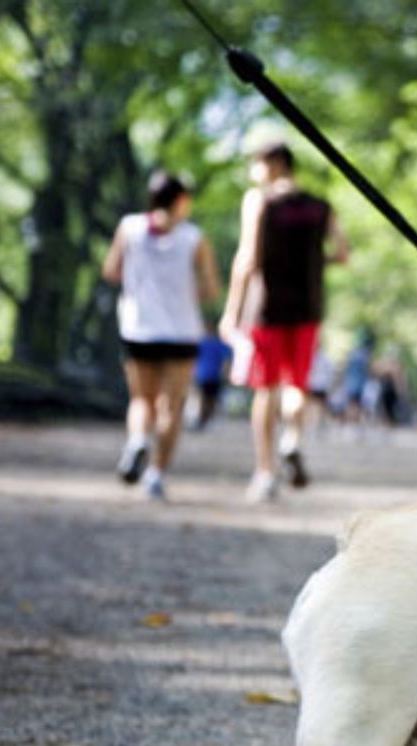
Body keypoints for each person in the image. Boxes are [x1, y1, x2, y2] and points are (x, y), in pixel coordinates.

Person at [219, 140, 349, 503]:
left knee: (266, 388)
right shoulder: (321, 207)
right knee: (297, 385)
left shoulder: (259, 200)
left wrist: (231, 312)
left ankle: (265, 472)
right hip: (308, 308)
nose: (253, 172)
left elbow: (247, 259)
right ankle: (292, 439)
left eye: (256, 164)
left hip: (267, 308)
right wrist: (312, 262)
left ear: (274, 163)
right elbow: (342, 252)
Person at [102, 170, 221, 501]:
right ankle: (155, 474)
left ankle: (138, 439)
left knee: (142, 400)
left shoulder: (129, 227)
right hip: (182, 332)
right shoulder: (194, 237)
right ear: (181, 200)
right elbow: (211, 289)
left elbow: (111, 271)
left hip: (139, 328)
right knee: (173, 406)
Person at [189, 331, 233, 431]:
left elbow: (192, 358)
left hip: (202, 375)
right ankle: (205, 419)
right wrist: (226, 373)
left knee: (203, 398)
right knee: (210, 399)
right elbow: (227, 359)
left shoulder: (200, 342)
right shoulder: (219, 343)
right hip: (214, 376)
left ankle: (202, 419)